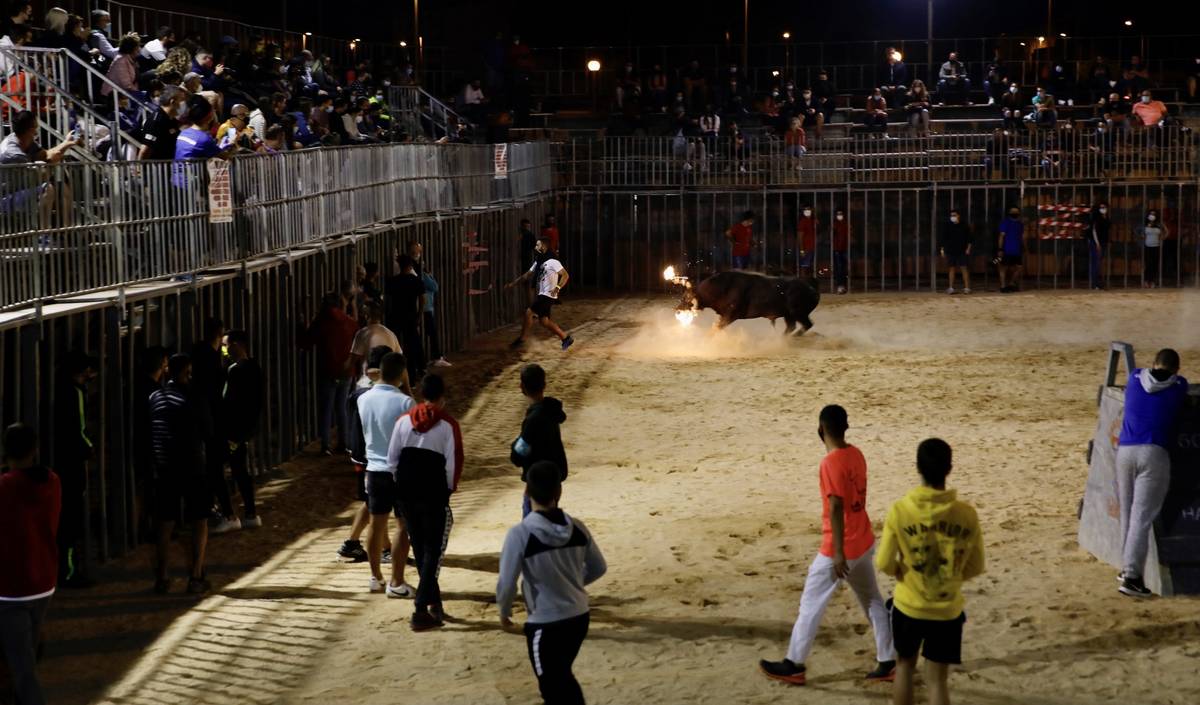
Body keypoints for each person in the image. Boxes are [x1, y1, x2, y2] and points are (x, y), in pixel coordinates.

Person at [760, 405, 896, 686]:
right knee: (872, 599)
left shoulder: (830, 463)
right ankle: (888, 660)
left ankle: (794, 663)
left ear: (821, 429)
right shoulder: (856, 454)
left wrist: (837, 552)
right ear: (846, 427)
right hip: (863, 540)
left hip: (842, 546)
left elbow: (836, 507)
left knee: (811, 604)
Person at [876, 438, 985, 705]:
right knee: (937, 680)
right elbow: (976, 565)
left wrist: (901, 571)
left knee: (904, 667)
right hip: (947, 609)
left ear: (917, 467)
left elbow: (884, 562)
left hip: (909, 605)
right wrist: (952, 576)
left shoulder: (900, 510)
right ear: (949, 469)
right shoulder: (966, 514)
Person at [497, 460, 607, 705]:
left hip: (545, 623)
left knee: (552, 686)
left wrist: (504, 613)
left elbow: (506, 583)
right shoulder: (578, 527)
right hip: (579, 617)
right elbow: (599, 567)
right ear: (559, 491)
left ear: (527, 492)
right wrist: (572, 584)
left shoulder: (521, 534)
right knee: (562, 676)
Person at [389, 373, 464, 631]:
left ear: (422, 395)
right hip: (433, 492)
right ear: (442, 398)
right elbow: (453, 465)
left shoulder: (402, 422)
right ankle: (422, 607)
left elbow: (392, 460)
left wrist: (400, 486)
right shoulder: (448, 425)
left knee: (420, 547)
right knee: (432, 549)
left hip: (407, 491)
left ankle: (434, 601)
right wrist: (448, 491)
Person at [1115, 349, 1189, 598]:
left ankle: (1124, 566)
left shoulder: (1135, 377)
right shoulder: (1179, 385)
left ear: (1154, 363)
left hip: (1124, 451)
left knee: (1127, 511)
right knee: (1142, 517)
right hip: (1153, 453)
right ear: (1176, 369)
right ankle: (1132, 577)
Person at [0, 423, 60, 705]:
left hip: (11, 587)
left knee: (22, 670)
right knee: (26, 654)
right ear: (35, 450)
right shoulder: (53, 482)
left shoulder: (5, 486)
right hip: (44, 581)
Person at [149, 354, 212, 595]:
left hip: (164, 467)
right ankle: (196, 576)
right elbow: (209, 430)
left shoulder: (155, 397)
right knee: (199, 520)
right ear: (188, 372)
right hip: (192, 465)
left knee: (164, 523)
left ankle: (162, 577)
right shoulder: (194, 397)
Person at [360, 352, 416, 597]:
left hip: (373, 468)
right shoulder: (405, 403)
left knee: (376, 524)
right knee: (403, 526)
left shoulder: (363, 399)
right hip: (400, 471)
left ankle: (375, 577)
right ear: (403, 374)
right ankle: (396, 580)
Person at [338, 345, 396, 564]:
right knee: (379, 502)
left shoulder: (360, 387)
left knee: (372, 500)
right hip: (371, 453)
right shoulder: (375, 390)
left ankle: (352, 544)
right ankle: (386, 549)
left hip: (360, 452)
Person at [53, 351, 96, 588]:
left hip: (60, 462)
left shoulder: (57, 389)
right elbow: (78, 428)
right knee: (70, 520)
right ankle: (68, 573)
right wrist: (89, 448)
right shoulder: (74, 392)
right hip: (72, 464)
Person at [189, 318, 233, 533]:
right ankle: (224, 512)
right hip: (212, 418)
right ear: (220, 334)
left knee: (209, 468)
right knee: (215, 469)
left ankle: (214, 509)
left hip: (200, 418)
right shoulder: (213, 358)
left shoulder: (197, 352)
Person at [303, 291, 359, 455]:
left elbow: (306, 342)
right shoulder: (349, 322)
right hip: (346, 370)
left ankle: (325, 445)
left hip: (327, 370)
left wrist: (301, 324)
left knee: (326, 409)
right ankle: (345, 442)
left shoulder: (321, 323)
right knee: (341, 407)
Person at [511, 364, 568, 517]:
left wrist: (514, 445)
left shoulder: (534, 419)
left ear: (522, 386)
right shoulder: (551, 411)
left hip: (537, 485)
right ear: (544, 385)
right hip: (554, 482)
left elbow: (518, 454)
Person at [222, 330, 263, 529]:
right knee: (240, 470)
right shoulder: (256, 368)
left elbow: (227, 401)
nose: (224, 349)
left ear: (237, 344)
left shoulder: (234, 370)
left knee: (216, 470)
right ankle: (250, 513)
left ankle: (229, 516)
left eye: (226, 345)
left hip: (232, 429)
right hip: (246, 428)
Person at [505, 236, 574, 351]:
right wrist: (512, 284)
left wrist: (558, 287)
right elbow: (526, 275)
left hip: (548, 295)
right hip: (543, 294)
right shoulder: (539, 261)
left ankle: (522, 340)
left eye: (538, 245)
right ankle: (565, 338)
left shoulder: (553, 261)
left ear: (543, 246)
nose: (535, 247)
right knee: (544, 321)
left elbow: (565, 275)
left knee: (528, 312)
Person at [385, 255, 427, 384]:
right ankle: (412, 376)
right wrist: (419, 315)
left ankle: (396, 376)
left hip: (395, 318)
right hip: (410, 318)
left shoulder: (392, 281)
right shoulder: (416, 281)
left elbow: (387, 301)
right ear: (411, 266)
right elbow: (422, 299)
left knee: (396, 348)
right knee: (412, 347)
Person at [348, 302, 401, 388]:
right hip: (389, 381)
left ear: (366, 316)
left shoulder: (362, 333)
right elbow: (399, 359)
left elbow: (352, 361)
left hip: (368, 381)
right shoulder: (390, 334)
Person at [138, 86, 185, 160]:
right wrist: (139, 170)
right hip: (157, 169)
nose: (184, 104)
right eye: (182, 100)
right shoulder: (156, 121)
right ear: (172, 102)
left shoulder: (171, 119)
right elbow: (144, 151)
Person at [420, 258, 451, 368]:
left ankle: (435, 357)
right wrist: (430, 276)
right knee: (432, 333)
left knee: (430, 332)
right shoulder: (423, 275)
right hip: (426, 308)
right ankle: (437, 357)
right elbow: (435, 287)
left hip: (425, 307)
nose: (423, 263)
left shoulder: (420, 275)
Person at [940, 209, 972, 294]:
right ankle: (951, 288)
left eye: (954, 215)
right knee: (951, 269)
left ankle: (967, 288)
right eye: (951, 215)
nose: (952, 217)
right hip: (951, 250)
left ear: (958, 216)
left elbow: (969, 238)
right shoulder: (947, 225)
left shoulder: (964, 225)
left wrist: (968, 248)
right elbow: (944, 238)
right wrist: (942, 249)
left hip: (962, 250)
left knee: (964, 268)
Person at [996, 207, 1024, 293]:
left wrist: (1024, 247)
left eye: (1016, 211)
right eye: (1012, 211)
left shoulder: (1020, 224)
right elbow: (1001, 236)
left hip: (1017, 250)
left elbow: (1022, 237)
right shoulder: (1005, 222)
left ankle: (1011, 283)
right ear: (1009, 213)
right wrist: (1000, 249)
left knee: (1019, 268)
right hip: (1006, 249)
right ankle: (1003, 286)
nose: (1014, 213)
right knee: (1003, 268)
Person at [1138, 210, 1167, 289]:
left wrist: (1162, 238)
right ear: (1148, 215)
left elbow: (1166, 231)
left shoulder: (1159, 225)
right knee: (1148, 264)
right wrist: (1141, 237)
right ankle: (1146, 281)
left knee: (1154, 265)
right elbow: (1138, 232)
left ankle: (1152, 281)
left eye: (1154, 214)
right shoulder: (1144, 224)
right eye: (1151, 214)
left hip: (1156, 247)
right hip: (1147, 247)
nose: (1152, 216)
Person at [1088, 202, 1111, 290]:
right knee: (1096, 263)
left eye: (1104, 207)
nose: (1103, 209)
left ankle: (1098, 283)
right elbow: (1094, 231)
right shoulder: (1096, 218)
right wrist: (1097, 243)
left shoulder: (1106, 218)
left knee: (1099, 263)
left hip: (1103, 242)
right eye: (1101, 207)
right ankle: (1095, 284)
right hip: (1096, 243)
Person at [796, 205, 818, 278]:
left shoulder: (813, 221)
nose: (808, 211)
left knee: (809, 266)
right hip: (806, 247)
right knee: (804, 266)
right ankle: (803, 281)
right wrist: (802, 249)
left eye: (809, 210)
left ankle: (807, 280)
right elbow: (800, 236)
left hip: (812, 247)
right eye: (806, 210)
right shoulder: (802, 222)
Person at [833, 208, 850, 294]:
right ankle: (840, 286)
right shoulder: (834, 225)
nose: (840, 216)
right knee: (839, 268)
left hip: (845, 248)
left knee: (844, 268)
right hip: (836, 249)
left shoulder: (846, 224)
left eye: (841, 214)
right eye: (838, 214)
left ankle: (844, 286)